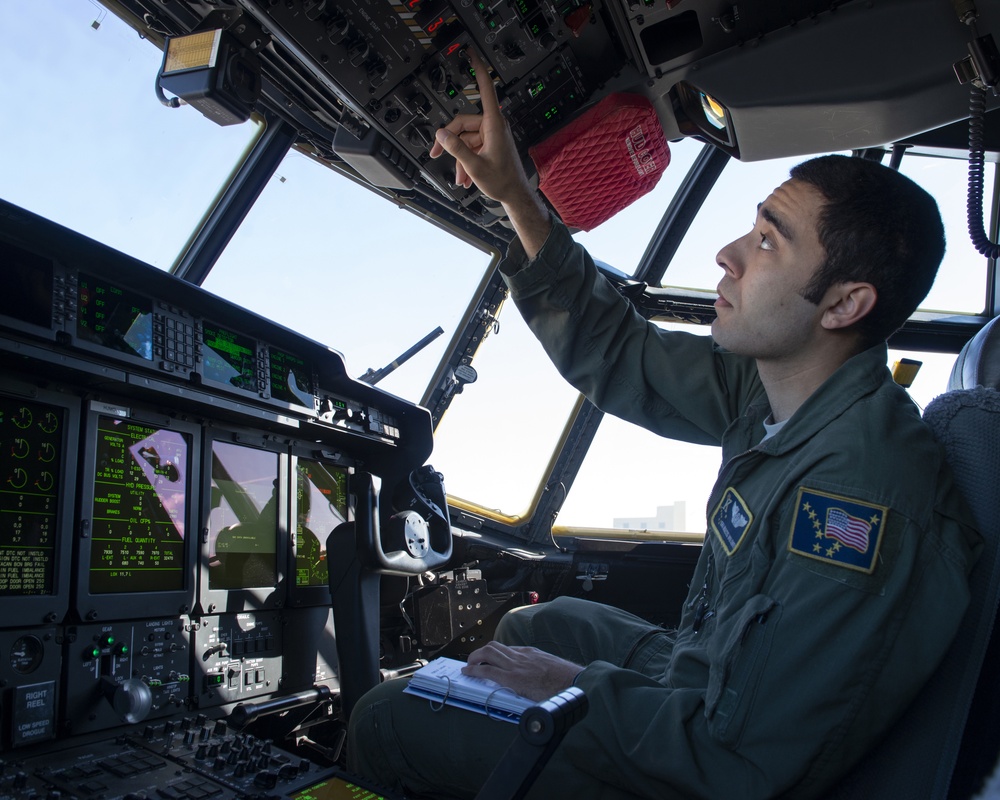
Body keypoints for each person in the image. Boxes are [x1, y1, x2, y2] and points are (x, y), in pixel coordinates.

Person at [347, 52, 981, 799]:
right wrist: (519, 197)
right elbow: (619, 352)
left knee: (388, 717)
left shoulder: (858, 506)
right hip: (708, 679)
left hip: (716, 753)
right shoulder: (777, 389)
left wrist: (579, 688)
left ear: (843, 306)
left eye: (770, 240)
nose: (729, 254)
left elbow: (734, 764)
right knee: (532, 628)